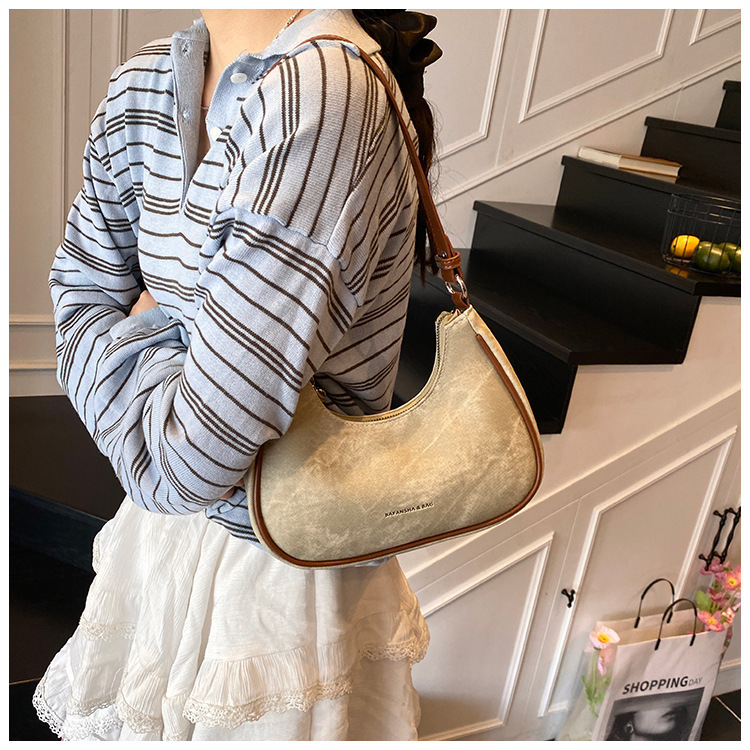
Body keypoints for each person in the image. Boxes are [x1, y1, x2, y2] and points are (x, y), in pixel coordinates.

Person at [32, 8, 442, 741]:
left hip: (275, 579)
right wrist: (182, 352)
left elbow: (187, 460)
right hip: (157, 545)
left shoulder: (325, 95)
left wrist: (140, 316)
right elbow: (77, 295)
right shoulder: (144, 83)